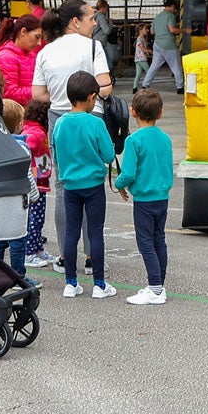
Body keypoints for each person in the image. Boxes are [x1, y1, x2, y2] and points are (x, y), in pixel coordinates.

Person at [31, 0, 113, 274]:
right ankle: (92, 256)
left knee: (64, 184)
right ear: (75, 22)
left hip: (59, 118)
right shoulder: (93, 47)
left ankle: (67, 256)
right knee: (93, 180)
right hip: (91, 116)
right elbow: (105, 87)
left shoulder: (46, 51)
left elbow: (37, 94)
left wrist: (61, 96)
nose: (94, 22)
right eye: (91, 18)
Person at [51, 71, 116, 299]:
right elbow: (109, 155)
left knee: (71, 233)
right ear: (91, 97)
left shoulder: (59, 123)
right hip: (94, 185)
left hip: (70, 185)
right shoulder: (95, 123)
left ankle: (71, 282)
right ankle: (99, 284)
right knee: (95, 232)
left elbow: (56, 154)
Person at [114, 89, 174, 305]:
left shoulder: (134, 140)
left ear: (133, 112)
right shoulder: (165, 138)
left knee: (145, 242)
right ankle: (158, 285)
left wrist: (118, 184)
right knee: (159, 239)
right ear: (160, 113)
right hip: (162, 196)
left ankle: (155, 288)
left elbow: (129, 172)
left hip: (144, 199)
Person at [0, 99, 30, 274]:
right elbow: (28, 176)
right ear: (19, 124)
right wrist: (33, 196)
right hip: (16, 200)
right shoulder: (21, 147)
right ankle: (18, 275)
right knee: (18, 240)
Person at [21, 98, 59, 269]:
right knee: (34, 219)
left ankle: (37, 249)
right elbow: (24, 147)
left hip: (40, 182)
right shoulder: (35, 134)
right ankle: (29, 253)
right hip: (34, 183)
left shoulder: (36, 131)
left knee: (38, 218)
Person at [0, 13, 42, 106]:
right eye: (37, 37)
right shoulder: (6, 57)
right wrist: (39, 90)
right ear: (23, 31)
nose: (39, 43)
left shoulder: (32, 54)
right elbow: (9, 93)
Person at [141, 0, 185, 94]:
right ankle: (180, 87)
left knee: (154, 66)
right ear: (171, 6)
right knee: (176, 66)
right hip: (168, 44)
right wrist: (185, 30)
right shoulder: (170, 16)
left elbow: (152, 31)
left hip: (157, 44)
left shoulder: (157, 17)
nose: (175, 10)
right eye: (175, 7)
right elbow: (172, 30)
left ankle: (145, 84)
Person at [92, 0, 119, 73]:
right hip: (101, 41)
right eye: (106, 8)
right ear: (103, 7)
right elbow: (107, 31)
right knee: (108, 62)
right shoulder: (101, 17)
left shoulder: (95, 16)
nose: (107, 10)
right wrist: (110, 23)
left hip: (95, 39)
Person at [131, 23, 151, 92]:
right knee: (149, 72)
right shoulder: (140, 39)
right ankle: (145, 85)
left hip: (137, 59)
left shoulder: (141, 38)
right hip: (142, 59)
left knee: (138, 73)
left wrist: (147, 52)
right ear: (140, 30)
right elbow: (141, 47)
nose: (147, 30)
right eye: (145, 29)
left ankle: (134, 88)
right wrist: (149, 51)